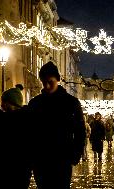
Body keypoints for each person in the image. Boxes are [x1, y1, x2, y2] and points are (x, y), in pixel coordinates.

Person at [27, 61, 86, 189]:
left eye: (50, 82)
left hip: (62, 159)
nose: (47, 86)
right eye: (44, 82)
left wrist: (75, 155)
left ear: (58, 80)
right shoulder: (35, 103)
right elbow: (29, 131)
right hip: (40, 159)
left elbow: (80, 131)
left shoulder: (71, 103)